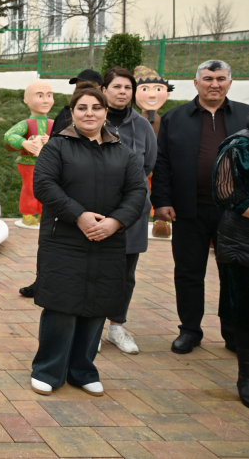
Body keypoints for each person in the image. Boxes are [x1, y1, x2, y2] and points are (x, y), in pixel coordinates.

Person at [30, 88, 147, 396]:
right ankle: (48, 370)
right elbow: (43, 185)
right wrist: (79, 215)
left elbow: (137, 192)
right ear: (72, 113)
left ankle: (82, 370)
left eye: (97, 107)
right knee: (62, 305)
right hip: (64, 239)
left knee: (97, 304)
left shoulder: (122, 152)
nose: (90, 113)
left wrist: (116, 222)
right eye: (82, 108)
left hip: (107, 239)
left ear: (106, 113)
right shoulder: (57, 147)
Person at [152, 60, 249, 354]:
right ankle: (190, 330)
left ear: (230, 83)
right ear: (196, 83)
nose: (214, 84)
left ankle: (233, 332)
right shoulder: (175, 118)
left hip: (235, 214)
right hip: (187, 210)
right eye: (208, 78)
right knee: (188, 272)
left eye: (221, 78)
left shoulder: (246, 115)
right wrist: (162, 201)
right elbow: (162, 163)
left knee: (233, 275)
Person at [100, 67, 158, 354]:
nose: (122, 92)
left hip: (132, 211)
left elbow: (148, 165)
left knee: (125, 272)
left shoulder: (143, 126)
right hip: (96, 210)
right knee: (94, 270)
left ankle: (116, 327)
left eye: (127, 87)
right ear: (104, 90)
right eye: (116, 87)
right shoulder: (91, 119)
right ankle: (91, 327)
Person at [212, 119, 249, 408]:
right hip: (242, 238)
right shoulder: (239, 145)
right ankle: (246, 378)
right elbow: (228, 193)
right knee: (244, 310)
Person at [4, 81, 55, 228]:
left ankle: (42, 214)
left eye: (49, 95)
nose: (46, 100)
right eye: (40, 95)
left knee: (47, 187)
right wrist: (23, 143)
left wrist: (52, 140)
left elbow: (64, 140)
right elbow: (9, 135)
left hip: (49, 163)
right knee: (30, 187)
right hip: (28, 163)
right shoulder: (26, 123)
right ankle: (27, 214)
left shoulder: (53, 123)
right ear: (26, 100)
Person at [51, 69, 103, 134]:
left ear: (100, 89)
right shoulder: (65, 114)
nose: (79, 92)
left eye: (84, 88)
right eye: (77, 87)